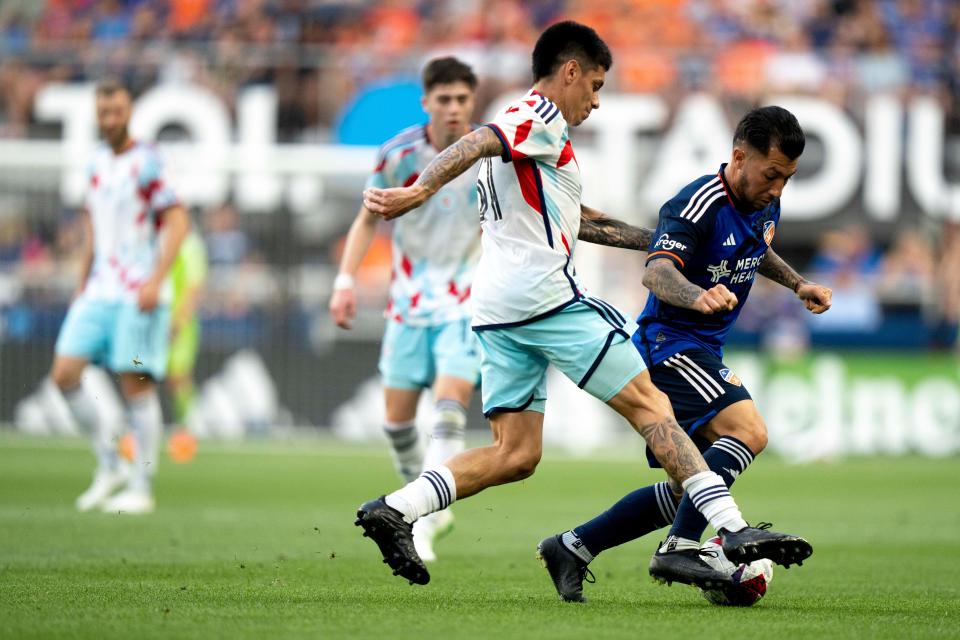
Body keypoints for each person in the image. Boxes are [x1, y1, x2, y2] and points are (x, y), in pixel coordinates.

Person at [356, 21, 812, 587]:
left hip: (497, 311)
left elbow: (584, 221)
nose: (595, 101)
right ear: (568, 72)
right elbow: (478, 141)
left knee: (515, 454)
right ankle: (726, 529)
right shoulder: (538, 116)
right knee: (652, 407)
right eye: (594, 85)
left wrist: (667, 237)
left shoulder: (540, 148)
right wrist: (418, 190)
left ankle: (396, 507)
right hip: (547, 299)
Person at [538, 106, 833, 601]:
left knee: (687, 487)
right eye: (772, 175)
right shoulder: (697, 203)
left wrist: (798, 282)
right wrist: (697, 295)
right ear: (739, 156)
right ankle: (679, 546)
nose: (778, 189)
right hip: (669, 345)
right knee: (749, 430)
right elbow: (655, 271)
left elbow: (758, 248)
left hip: (700, 347)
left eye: (787, 178)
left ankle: (573, 546)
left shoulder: (764, 202)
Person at [329, 57, 483, 561]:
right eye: (445, 99)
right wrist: (345, 281)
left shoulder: (488, 157)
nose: (454, 108)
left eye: (462, 99)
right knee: (396, 425)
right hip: (409, 303)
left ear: (471, 102)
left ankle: (416, 514)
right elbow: (366, 220)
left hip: (466, 300)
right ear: (427, 103)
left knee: (448, 412)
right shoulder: (398, 154)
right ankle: (433, 508)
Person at [51, 78, 189, 514]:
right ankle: (109, 463)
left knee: (136, 386)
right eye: (103, 112)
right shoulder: (95, 164)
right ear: (97, 115)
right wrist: (81, 282)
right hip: (99, 291)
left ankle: (141, 486)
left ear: (129, 113)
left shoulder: (148, 161)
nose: (110, 119)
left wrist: (155, 280)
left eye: (117, 111)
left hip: (136, 294)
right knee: (64, 374)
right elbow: (95, 229)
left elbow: (178, 221)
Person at [165, 227, 207, 461]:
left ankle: (189, 426)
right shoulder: (157, 237)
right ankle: (138, 429)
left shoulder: (191, 244)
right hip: (153, 320)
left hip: (181, 325)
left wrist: (179, 321)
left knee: (178, 377)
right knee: (140, 372)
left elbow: (194, 287)